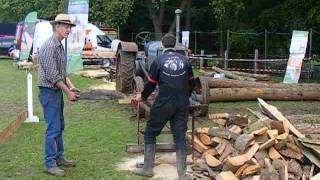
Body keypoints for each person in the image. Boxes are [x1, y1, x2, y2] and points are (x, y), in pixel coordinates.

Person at [134, 33, 194, 179]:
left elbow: (150, 84)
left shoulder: (158, 61)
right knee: (179, 137)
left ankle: (148, 169)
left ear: (162, 45)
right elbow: (192, 83)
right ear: (175, 46)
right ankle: (183, 174)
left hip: (164, 103)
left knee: (150, 133)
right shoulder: (185, 60)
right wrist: (185, 96)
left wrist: (141, 97)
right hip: (182, 103)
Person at [38, 13, 80, 177]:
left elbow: (62, 73)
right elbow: (53, 76)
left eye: (69, 27)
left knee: (59, 126)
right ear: (56, 26)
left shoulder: (60, 45)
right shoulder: (49, 46)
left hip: (56, 91)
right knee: (52, 128)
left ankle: (59, 157)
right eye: (65, 26)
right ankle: (49, 163)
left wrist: (72, 86)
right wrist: (68, 92)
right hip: (48, 91)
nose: (68, 29)